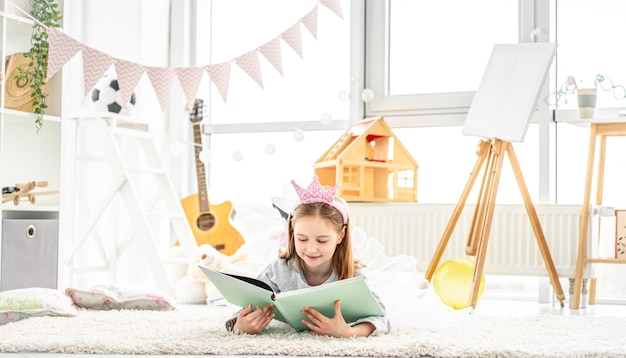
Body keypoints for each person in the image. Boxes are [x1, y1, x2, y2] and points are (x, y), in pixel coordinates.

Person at [225, 175, 391, 337]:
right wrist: (240, 326)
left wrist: (348, 332)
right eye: (302, 239)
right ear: (292, 232)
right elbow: (246, 306)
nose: (311, 249)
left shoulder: (352, 276)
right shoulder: (280, 268)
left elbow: (382, 318)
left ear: (341, 235)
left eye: (322, 240)